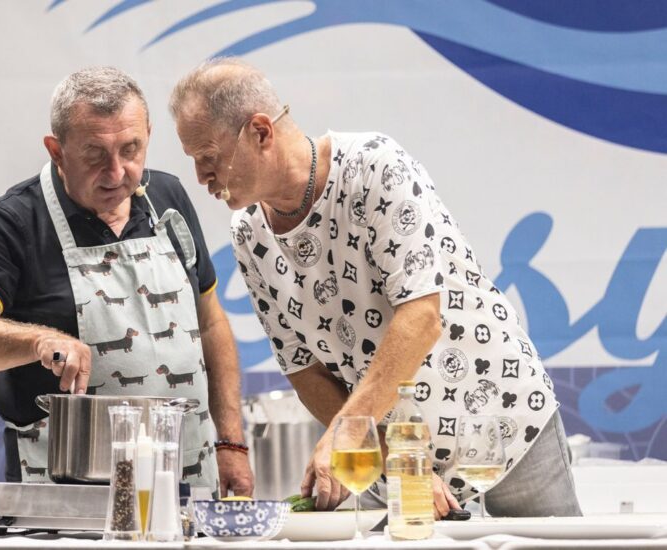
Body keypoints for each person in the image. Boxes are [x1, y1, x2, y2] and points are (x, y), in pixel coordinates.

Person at [168, 58, 581, 517]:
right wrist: (395, 458)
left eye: (208, 158)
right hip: (399, 457)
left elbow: (421, 316)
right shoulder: (248, 233)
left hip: (502, 425)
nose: (201, 178)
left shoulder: (375, 167)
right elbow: (303, 368)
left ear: (261, 132)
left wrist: (346, 434)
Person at [0, 66, 253, 498]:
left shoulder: (169, 200)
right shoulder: (12, 223)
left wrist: (230, 442)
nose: (117, 172)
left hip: (186, 479)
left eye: (131, 149)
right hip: (65, 490)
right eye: (95, 155)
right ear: (56, 150)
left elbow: (211, 323)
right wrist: (38, 342)